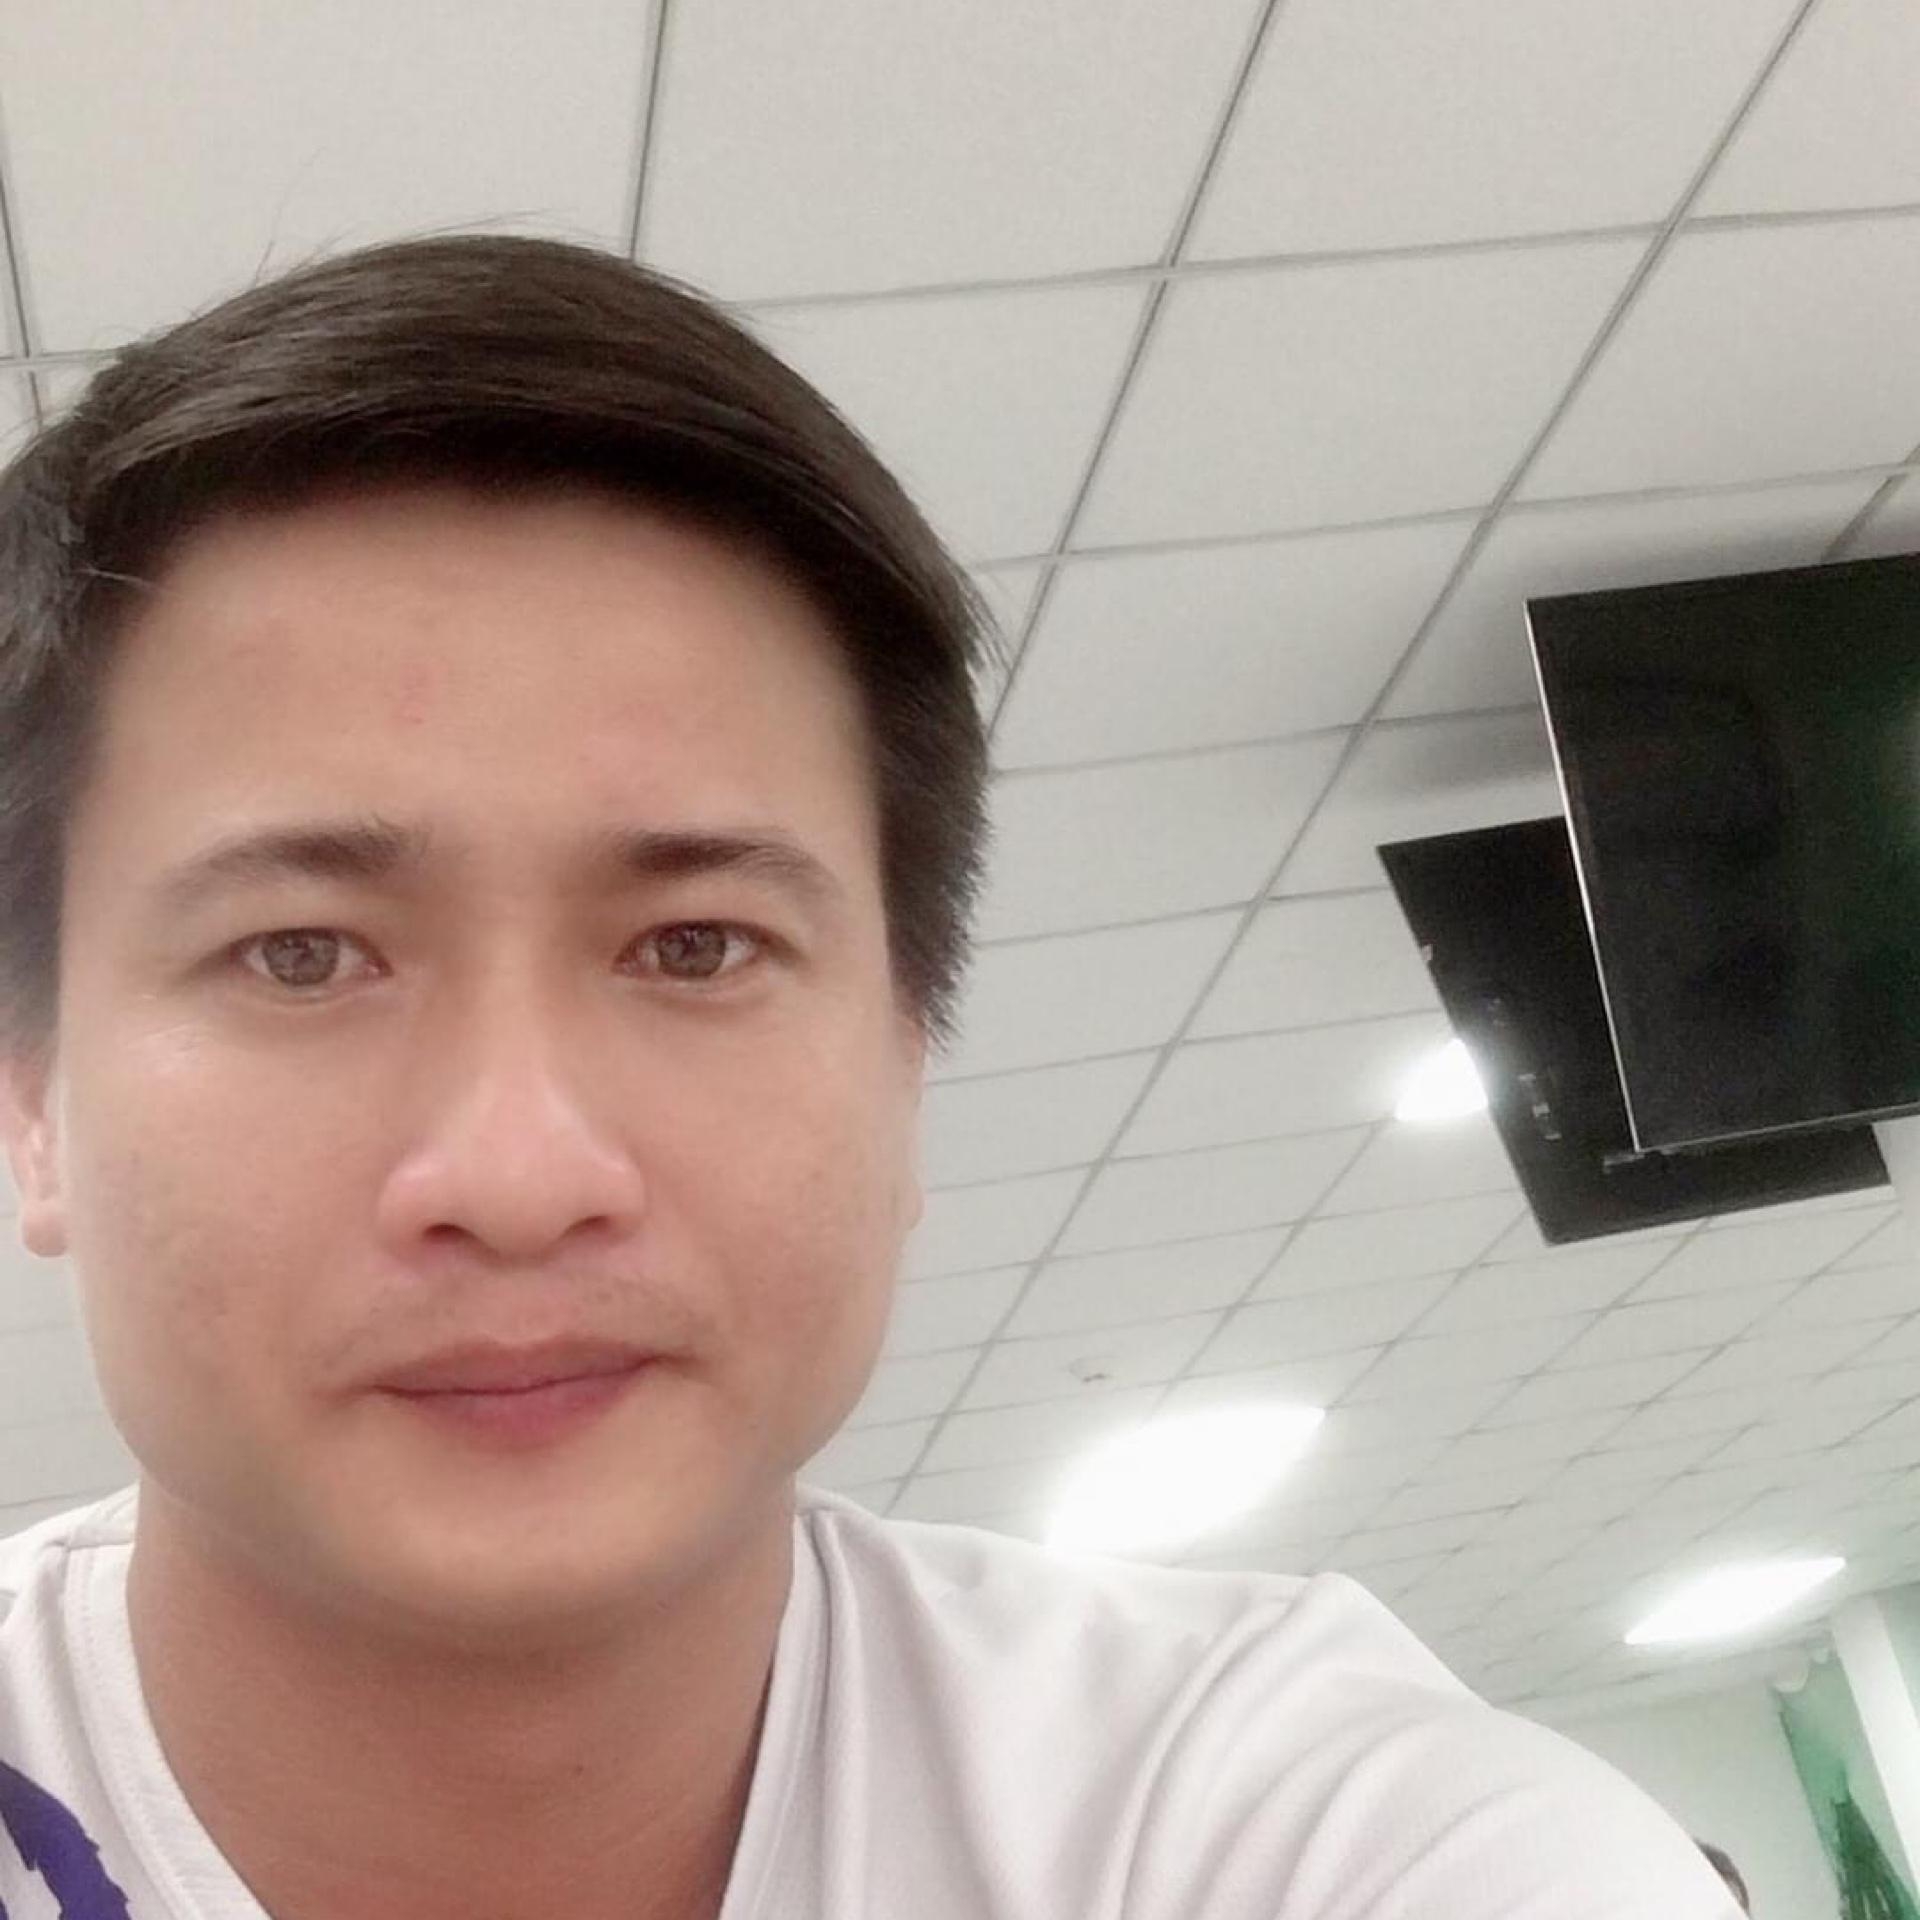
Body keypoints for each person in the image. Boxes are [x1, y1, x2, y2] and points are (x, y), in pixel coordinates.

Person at [0, 233, 1743, 1918]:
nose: (522, 1177)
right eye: (300, 955)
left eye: (697, 946)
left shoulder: (1271, 1818)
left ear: (909, 1057)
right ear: (30, 1097)